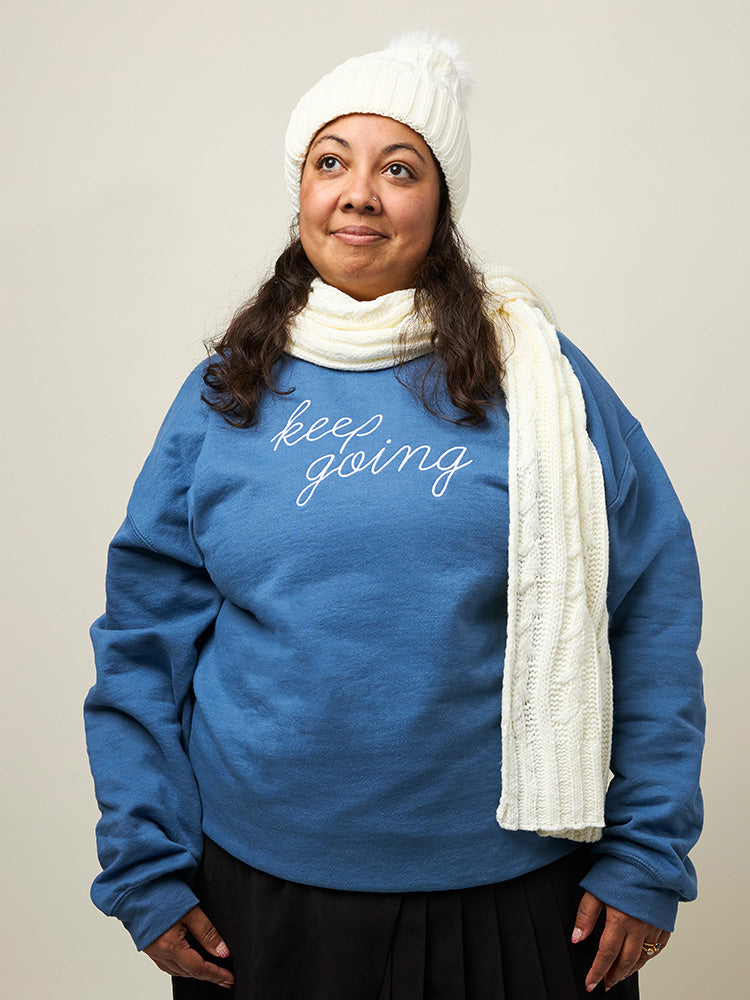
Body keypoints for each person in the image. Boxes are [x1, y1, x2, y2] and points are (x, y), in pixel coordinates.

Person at [84, 32, 705, 1000]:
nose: (359, 193)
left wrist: (648, 854)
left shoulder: (542, 381)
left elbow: (652, 609)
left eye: (399, 167)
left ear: (440, 203)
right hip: (258, 892)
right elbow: (143, 639)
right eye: (331, 161)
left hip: (525, 889)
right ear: (300, 192)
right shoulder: (224, 393)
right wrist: (145, 863)